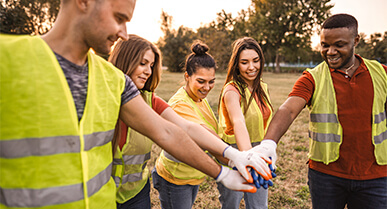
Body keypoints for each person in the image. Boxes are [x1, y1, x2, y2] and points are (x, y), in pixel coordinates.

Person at [0, 1, 272, 208]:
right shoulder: (8, 60)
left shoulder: (114, 81)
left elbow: (171, 131)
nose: (124, 33)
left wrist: (227, 164)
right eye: (119, 18)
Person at [108, 36, 272, 209]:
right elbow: (182, 132)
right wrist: (232, 160)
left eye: (151, 65)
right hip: (114, 190)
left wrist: (235, 157)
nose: (148, 71)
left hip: (136, 192)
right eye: (143, 64)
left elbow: (188, 128)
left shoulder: (151, 99)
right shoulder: (179, 102)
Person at [253, 13, 387, 209]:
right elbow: (288, 110)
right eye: (324, 45)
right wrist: (268, 144)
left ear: (356, 40)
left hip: (375, 176)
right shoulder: (312, 78)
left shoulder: (381, 73)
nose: (330, 51)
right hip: (327, 177)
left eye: (339, 45)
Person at [217, 37, 273, 209]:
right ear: (236, 65)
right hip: (234, 154)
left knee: (259, 206)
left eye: (256, 61)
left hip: (259, 152)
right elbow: (238, 121)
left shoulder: (262, 86)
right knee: (231, 205)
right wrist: (248, 157)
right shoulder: (231, 90)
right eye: (244, 62)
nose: (251, 67)